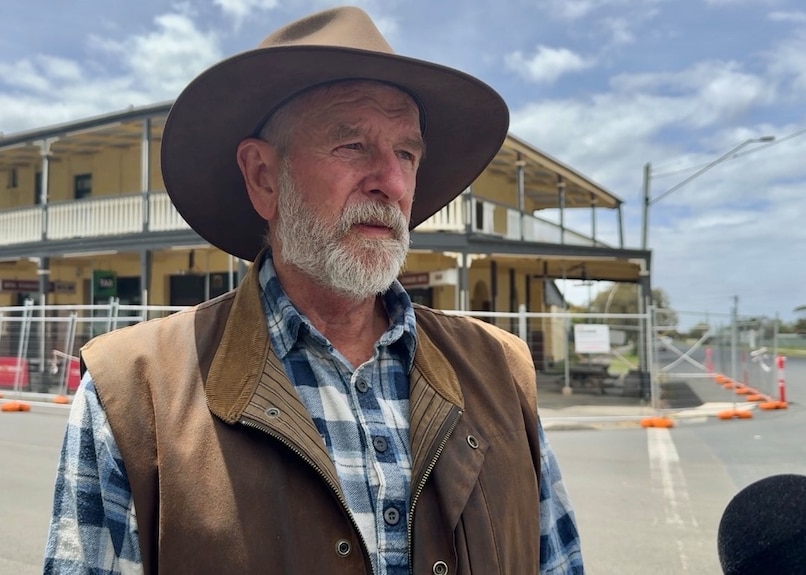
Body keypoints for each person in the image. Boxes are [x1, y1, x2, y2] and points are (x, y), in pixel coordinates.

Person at [43, 6, 583, 575]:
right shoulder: (133, 392)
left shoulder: (501, 371)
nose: (394, 183)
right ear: (263, 176)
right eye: (352, 146)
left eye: (407, 152)